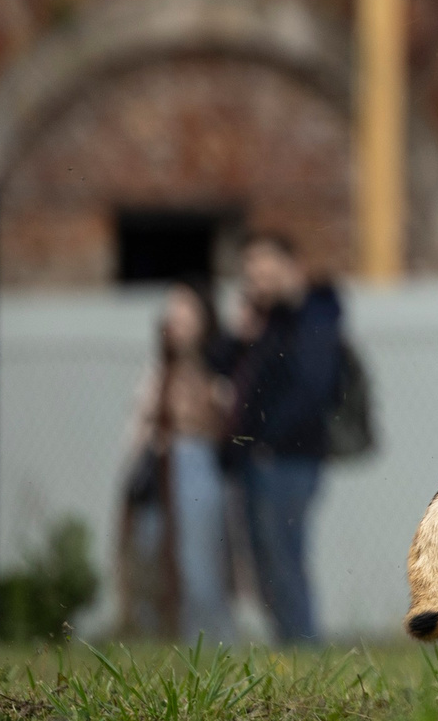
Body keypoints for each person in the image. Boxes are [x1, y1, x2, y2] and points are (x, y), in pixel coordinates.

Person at [217, 230, 342, 645]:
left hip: (290, 458)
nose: (260, 283)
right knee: (262, 559)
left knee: (283, 555)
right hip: (257, 458)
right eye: (252, 276)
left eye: (268, 272)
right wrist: (239, 336)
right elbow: (221, 369)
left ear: (293, 269)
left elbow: (312, 387)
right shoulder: (261, 324)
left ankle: (303, 647)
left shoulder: (315, 313)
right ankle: (288, 647)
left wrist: (268, 440)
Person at [117, 281, 239, 644]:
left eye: (186, 313)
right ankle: (155, 646)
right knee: (148, 557)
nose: (176, 321)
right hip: (155, 472)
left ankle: (210, 646)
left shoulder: (217, 368)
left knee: (199, 567)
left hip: (196, 467)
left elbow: (220, 420)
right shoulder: (159, 369)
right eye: (172, 313)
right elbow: (140, 424)